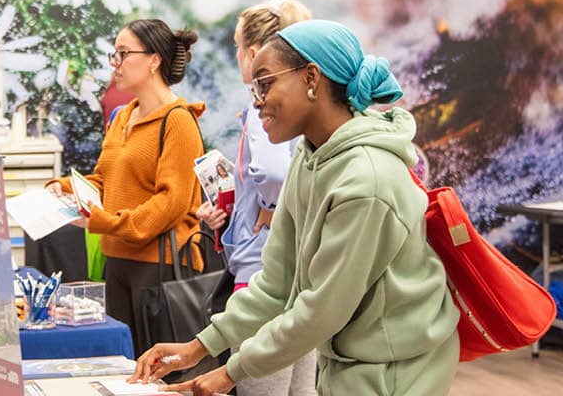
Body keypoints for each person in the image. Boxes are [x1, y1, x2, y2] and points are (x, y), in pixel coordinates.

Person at [131, 20, 460, 396]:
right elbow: (276, 283)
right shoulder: (310, 157)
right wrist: (199, 347)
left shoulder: (366, 181)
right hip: (350, 363)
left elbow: (322, 311)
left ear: (312, 78)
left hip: (396, 373)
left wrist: (228, 372)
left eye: (266, 82)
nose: (256, 100)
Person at [47, 18, 205, 355]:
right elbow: (105, 180)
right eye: (114, 54)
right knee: (122, 369)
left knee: (160, 373)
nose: (114, 64)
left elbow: (170, 204)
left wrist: (106, 222)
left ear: (154, 60)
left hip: (160, 269)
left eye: (123, 53)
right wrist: (63, 188)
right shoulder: (122, 117)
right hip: (118, 262)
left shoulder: (178, 121)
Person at [193, 0, 318, 395]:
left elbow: (275, 171)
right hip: (301, 276)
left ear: (253, 53)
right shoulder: (306, 103)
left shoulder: (263, 106)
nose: (235, 55)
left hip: (261, 274)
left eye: (236, 46)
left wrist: (269, 207)